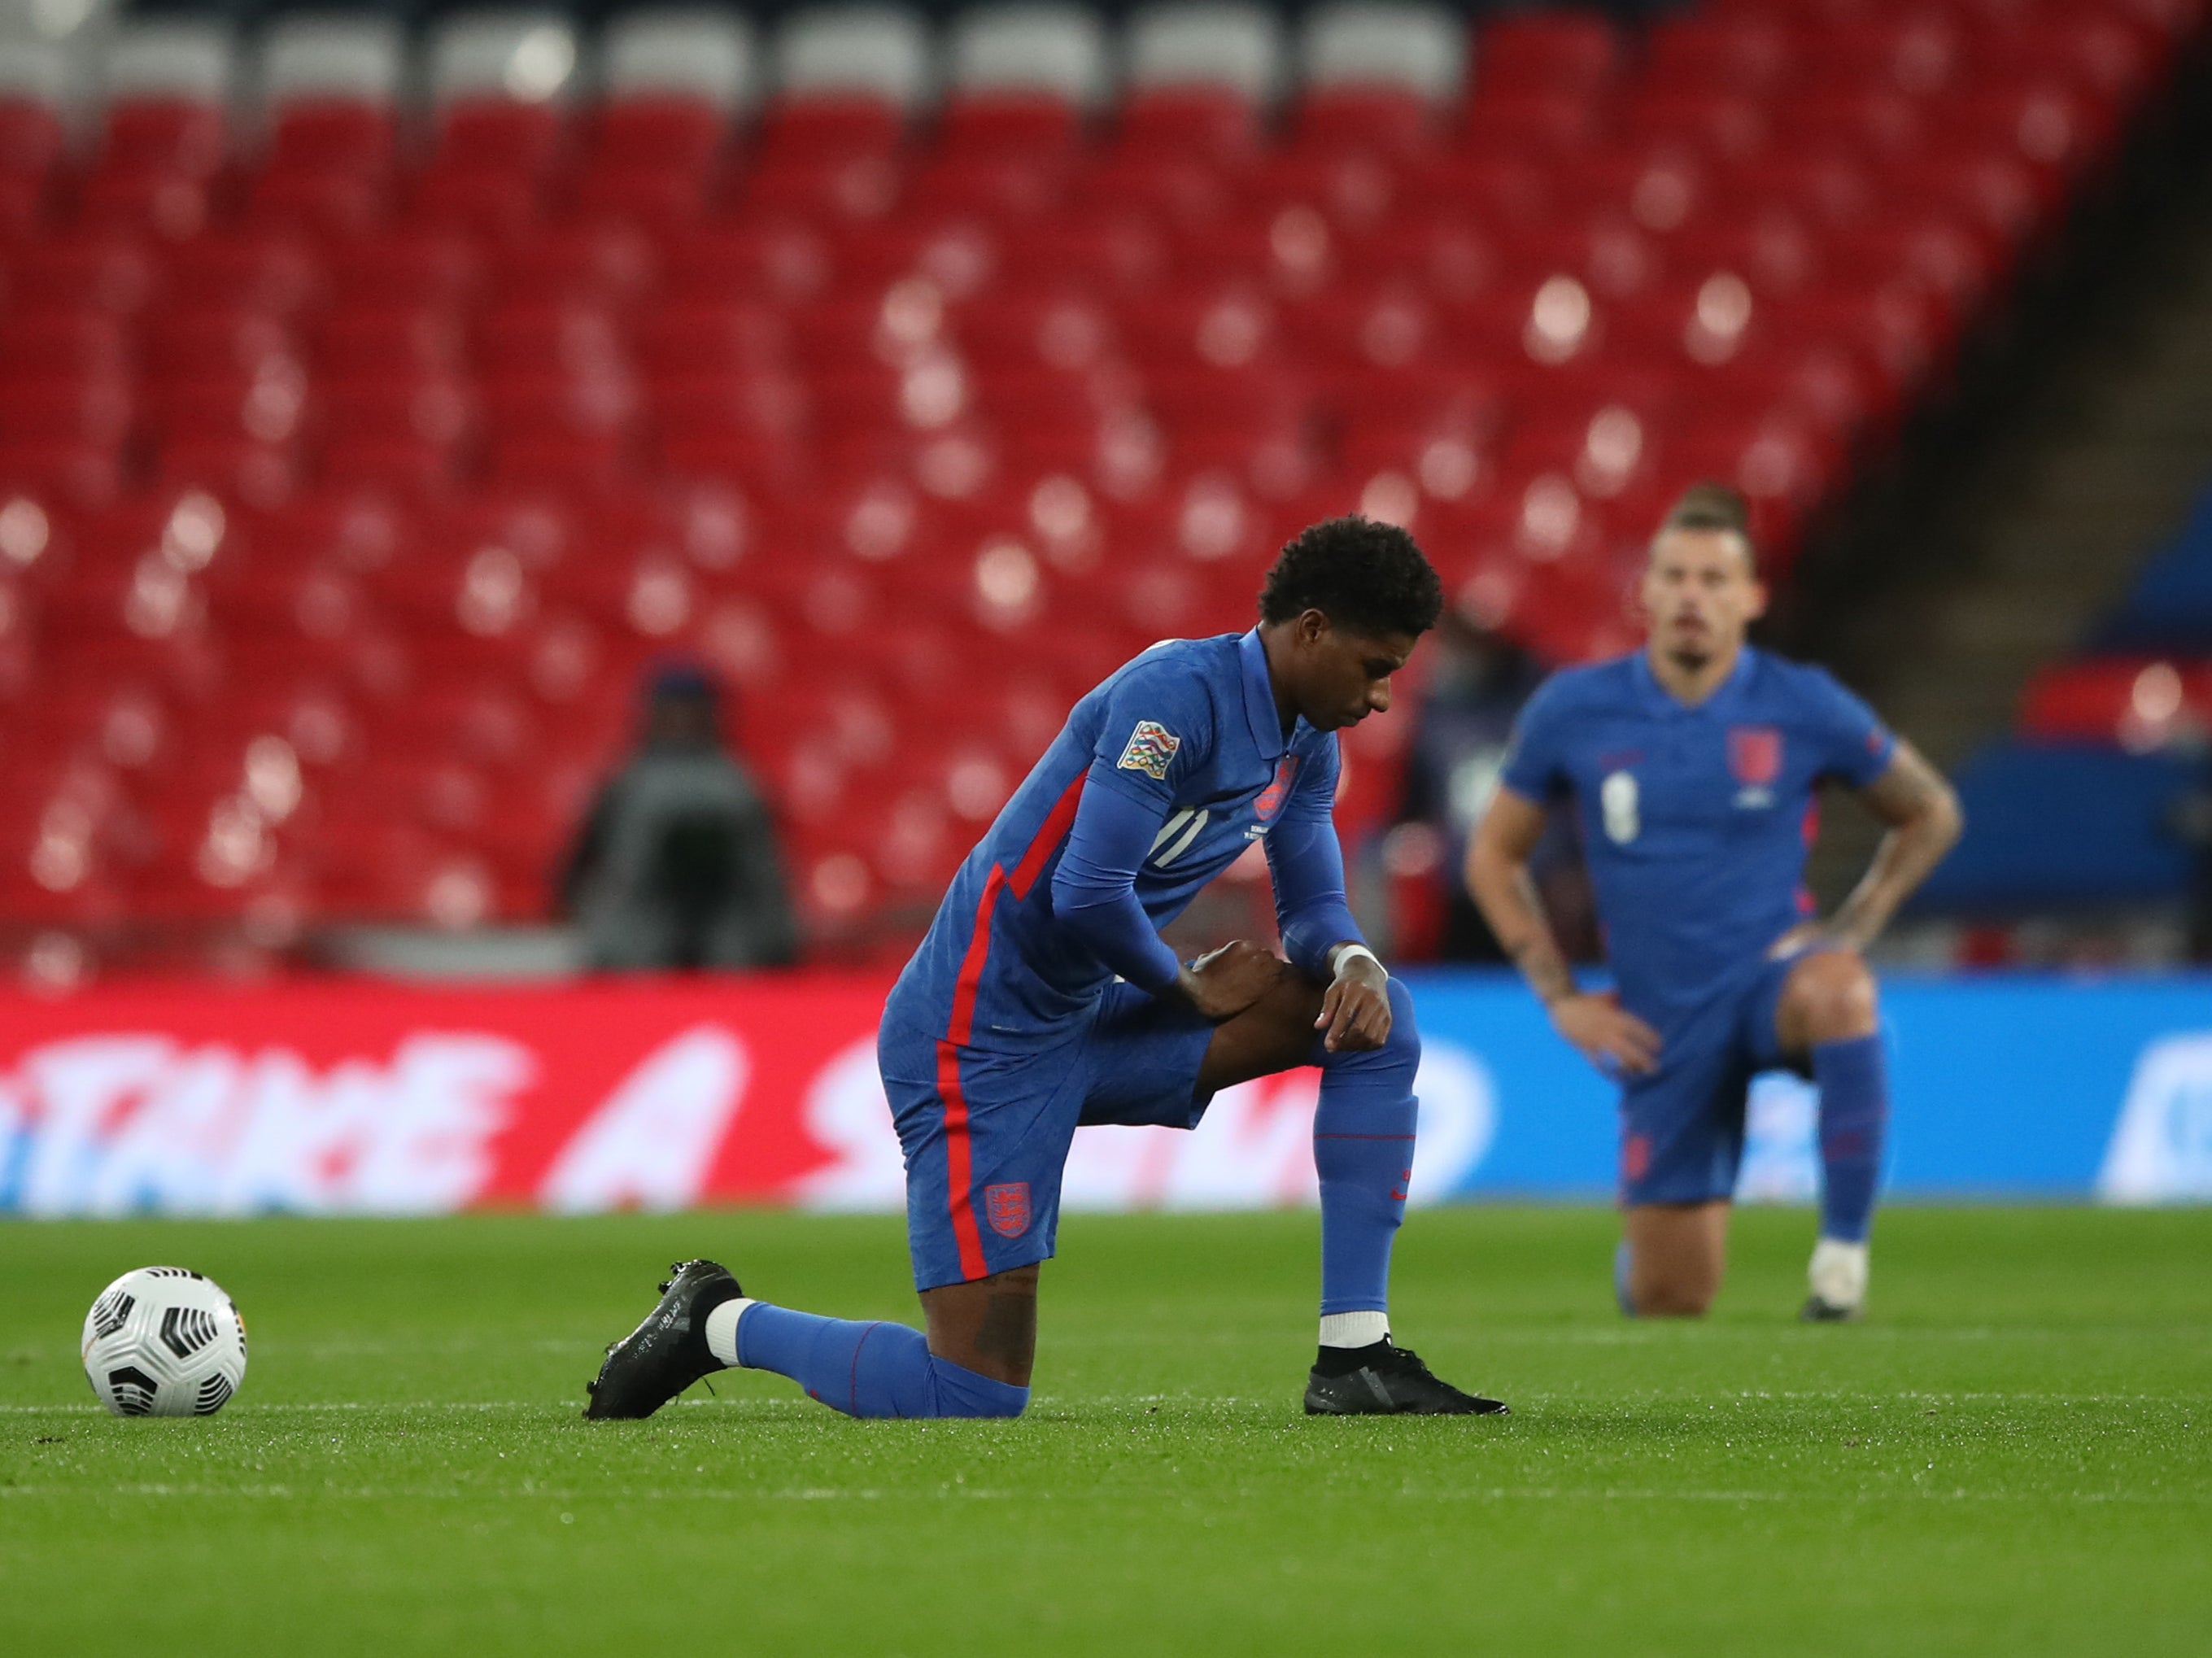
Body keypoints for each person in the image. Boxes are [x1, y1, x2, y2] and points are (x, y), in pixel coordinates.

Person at [584, 517, 1508, 1420]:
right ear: (1311, 629)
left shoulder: (1306, 739)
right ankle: (718, 1322)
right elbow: (1087, 890)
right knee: (972, 1392)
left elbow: (1309, 904)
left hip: (1090, 1014)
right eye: (1376, 666)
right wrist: (1185, 985)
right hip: (974, 1038)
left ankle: (1354, 1354)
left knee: (1373, 1020)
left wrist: (1349, 958)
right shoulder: (1174, 697)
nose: (1384, 695)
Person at [1465, 483, 1962, 1321]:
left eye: (1713, 578)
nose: (1693, 595)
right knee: (1670, 1298)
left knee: (1841, 989)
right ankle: (1646, 1259)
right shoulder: (1575, 709)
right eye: (1675, 576)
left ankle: (1839, 1265)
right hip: (1662, 1025)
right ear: (1646, 593)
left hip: (1771, 984)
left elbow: (1929, 811)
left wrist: (1853, 928)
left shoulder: (1802, 703)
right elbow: (1492, 853)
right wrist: (1560, 999)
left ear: (1751, 597)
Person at [557, 663, 798, 972]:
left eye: (692, 711)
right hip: (639, 930)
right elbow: (578, 868)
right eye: (672, 711)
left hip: (730, 931)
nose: (682, 722)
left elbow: (767, 877)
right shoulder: (627, 783)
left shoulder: (741, 786)